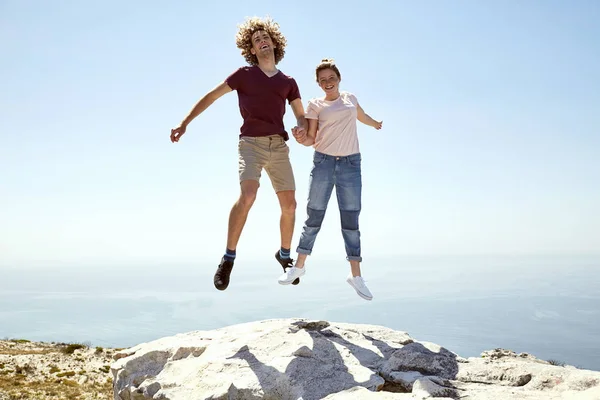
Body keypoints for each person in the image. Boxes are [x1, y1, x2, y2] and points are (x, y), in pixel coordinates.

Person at [170, 16, 308, 291]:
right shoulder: (243, 76)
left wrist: (302, 128)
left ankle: (283, 255)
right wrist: (185, 123)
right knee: (248, 195)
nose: (262, 41)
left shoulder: (288, 82)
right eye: (256, 40)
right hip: (251, 144)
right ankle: (228, 258)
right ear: (252, 50)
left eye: (265, 37)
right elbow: (210, 97)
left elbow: (301, 115)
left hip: (278, 146)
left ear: (273, 43)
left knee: (290, 205)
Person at [278, 59, 382, 301]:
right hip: (324, 163)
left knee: (351, 220)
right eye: (322, 80)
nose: (327, 82)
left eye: (330, 78)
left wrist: (375, 123)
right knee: (314, 216)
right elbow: (311, 138)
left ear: (339, 78)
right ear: (318, 83)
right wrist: (299, 137)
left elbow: (361, 116)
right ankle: (299, 266)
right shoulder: (315, 105)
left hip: (350, 165)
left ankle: (355, 275)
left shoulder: (350, 99)